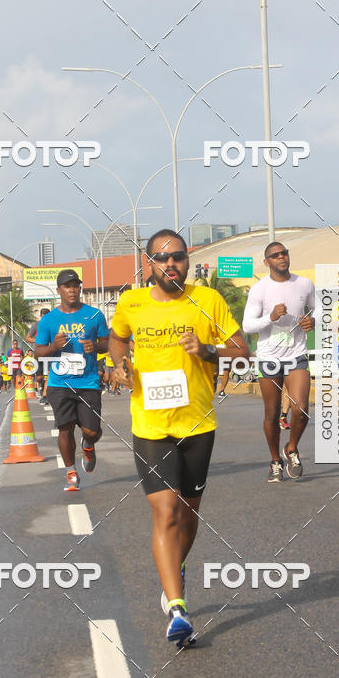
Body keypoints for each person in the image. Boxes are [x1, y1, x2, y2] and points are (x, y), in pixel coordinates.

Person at [108, 229, 251, 647]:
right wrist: (120, 364)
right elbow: (118, 337)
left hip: (198, 425)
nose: (170, 264)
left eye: (178, 257)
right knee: (165, 512)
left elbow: (241, 349)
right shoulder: (131, 303)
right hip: (150, 425)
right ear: (148, 264)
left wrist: (207, 351)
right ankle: (177, 607)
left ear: (187, 261)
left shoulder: (207, 301)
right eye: (161, 258)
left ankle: (176, 571)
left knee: (188, 517)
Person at [242, 242, 315, 482]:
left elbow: (320, 310)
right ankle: (275, 460)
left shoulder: (304, 283)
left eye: (284, 253)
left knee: (301, 408)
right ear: (267, 262)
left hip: (296, 354)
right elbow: (248, 325)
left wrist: (312, 321)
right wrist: (270, 317)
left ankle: (291, 447)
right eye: (275, 255)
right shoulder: (259, 289)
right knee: (271, 414)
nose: (281, 257)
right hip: (269, 357)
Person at [34, 269, 109, 492]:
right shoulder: (48, 320)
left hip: (88, 383)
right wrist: (53, 348)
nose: (72, 290)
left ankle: (88, 445)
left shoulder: (95, 315)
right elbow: (38, 352)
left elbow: (107, 343)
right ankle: (71, 470)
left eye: (76, 285)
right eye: (68, 286)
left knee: (92, 431)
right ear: (59, 291)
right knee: (65, 429)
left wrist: (95, 346)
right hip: (60, 383)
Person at [26, 307, 51, 402]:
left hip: (50, 352)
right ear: (40, 316)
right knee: (39, 377)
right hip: (38, 353)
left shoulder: (53, 325)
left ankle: (46, 394)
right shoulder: (36, 325)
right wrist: (37, 340)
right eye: (43, 317)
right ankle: (42, 385)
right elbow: (28, 338)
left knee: (49, 373)